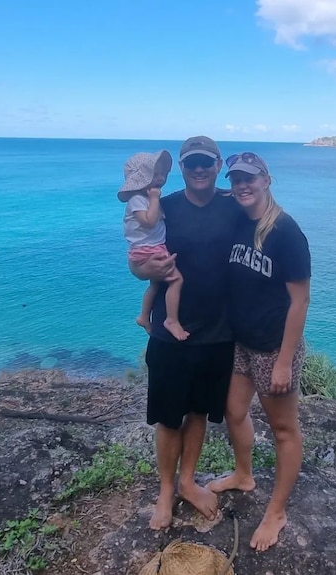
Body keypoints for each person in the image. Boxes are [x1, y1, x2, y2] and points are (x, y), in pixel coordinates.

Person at [128, 136, 241, 530]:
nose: (198, 169)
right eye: (191, 162)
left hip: (218, 332)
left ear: (218, 164)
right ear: (181, 165)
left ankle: (188, 482)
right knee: (168, 417)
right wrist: (146, 272)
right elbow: (137, 260)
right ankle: (165, 492)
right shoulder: (167, 208)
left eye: (206, 163)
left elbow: (267, 230)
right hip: (167, 332)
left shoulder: (234, 205)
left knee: (197, 413)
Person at [207, 152, 311, 552]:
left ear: (268, 179)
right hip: (241, 340)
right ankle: (244, 475)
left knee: (284, 430)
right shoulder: (237, 217)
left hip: (272, 346)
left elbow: (300, 301)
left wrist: (284, 361)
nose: (242, 185)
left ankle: (277, 512)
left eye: (250, 178)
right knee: (233, 412)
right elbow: (208, 193)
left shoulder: (286, 232)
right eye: (236, 179)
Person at [118, 150, 189, 341]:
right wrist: (156, 199)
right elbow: (148, 222)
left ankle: (143, 316)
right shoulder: (138, 200)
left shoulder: (146, 200)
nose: (160, 179)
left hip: (149, 249)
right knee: (176, 280)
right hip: (149, 250)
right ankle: (171, 320)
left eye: (162, 174)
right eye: (154, 174)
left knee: (156, 284)